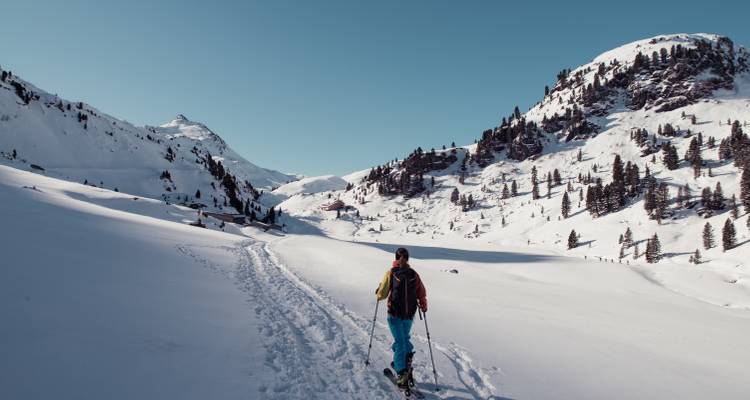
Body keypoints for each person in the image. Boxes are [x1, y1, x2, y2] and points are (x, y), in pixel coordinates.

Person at [375, 247, 427, 387]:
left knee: (400, 342)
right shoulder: (413, 274)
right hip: (408, 315)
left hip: (396, 314)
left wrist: (378, 292)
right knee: (403, 341)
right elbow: (421, 292)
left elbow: (382, 294)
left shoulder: (391, 273)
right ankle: (404, 364)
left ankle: (402, 368)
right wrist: (423, 305)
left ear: (395, 258)